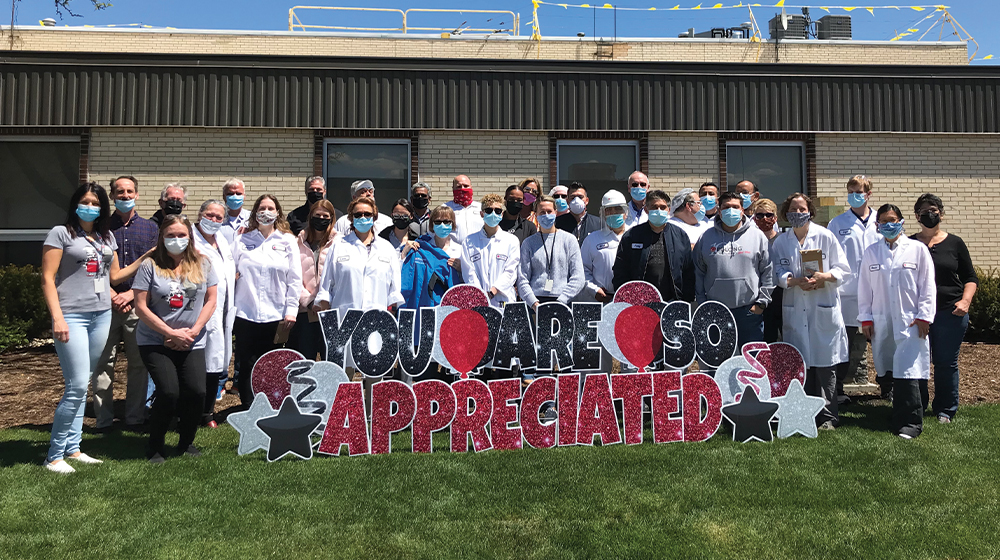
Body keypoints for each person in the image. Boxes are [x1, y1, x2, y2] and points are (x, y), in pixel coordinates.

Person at [40, 182, 149, 474]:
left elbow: (115, 276)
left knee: (84, 382)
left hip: (101, 315)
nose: (90, 206)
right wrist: (58, 318)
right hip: (72, 316)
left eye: (95, 203)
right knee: (75, 385)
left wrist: (144, 258)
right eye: (85, 201)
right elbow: (48, 279)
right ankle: (53, 455)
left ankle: (73, 449)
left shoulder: (105, 236)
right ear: (76, 203)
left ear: (102, 208)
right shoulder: (60, 234)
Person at [133, 214, 218, 463]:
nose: (176, 239)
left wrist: (192, 332)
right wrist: (169, 333)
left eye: (181, 235)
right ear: (161, 237)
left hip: (192, 340)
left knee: (196, 392)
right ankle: (155, 446)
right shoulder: (150, 265)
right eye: (171, 235)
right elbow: (140, 306)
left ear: (189, 237)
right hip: (155, 340)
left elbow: (211, 300)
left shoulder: (203, 264)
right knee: (169, 392)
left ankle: (185, 442)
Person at [772, 193, 851, 430]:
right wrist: (795, 281)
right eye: (793, 210)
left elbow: (843, 269)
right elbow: (777, 272)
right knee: (800, 366)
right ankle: (803, 415)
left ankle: (828, 417)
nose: (797, 213)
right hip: (796, 306)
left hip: (822, 306)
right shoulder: (781, 241)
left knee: (826, 367)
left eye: (801, 209)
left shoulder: (825, 236)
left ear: (810, 211)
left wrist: (824, 276)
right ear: (786, 214)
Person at [858, 204, 936, 439]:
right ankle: (902, 412)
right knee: (891, 368)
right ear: (877, 225)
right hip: (882, 321)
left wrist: (924, 315)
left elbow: (927, 286)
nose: (888, 225)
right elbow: (864, 289)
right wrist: (866, 319)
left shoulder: (917, 249)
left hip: (911, 321)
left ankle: (910, 423)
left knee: (909, 370)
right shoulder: (872, 252)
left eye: (893, 220)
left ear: (902, 222)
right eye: (883, 221)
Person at [316, 197, 403, 401]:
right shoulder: (338, 246)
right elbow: (325, 288)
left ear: (374, 217)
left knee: (374, 372)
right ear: (350, 218)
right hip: (344, 320)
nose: (363, 218)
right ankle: (339, 418)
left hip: (376, 321)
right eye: (358, 215)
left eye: (367, 214)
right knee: (342, 374)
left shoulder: (387, 249)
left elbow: (394, 292)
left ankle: (373, 420)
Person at [92, 175, 158, 432]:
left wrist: (131, 295)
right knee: (102, 364)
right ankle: (103, 420)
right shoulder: (100, 228)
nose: (125, 196)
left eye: (130, 191)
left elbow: (155, 268)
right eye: (120, 192)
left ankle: (134, 418)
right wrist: (111, 294)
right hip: (104, 306)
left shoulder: (151, 229)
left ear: (137, 195)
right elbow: (94, 269)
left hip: (137, 306)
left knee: (138, 364)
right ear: (112, 196)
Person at [910, 194, 977, 424]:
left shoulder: (955, 243)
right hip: (917, 314)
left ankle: (945, 410)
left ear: (941, 213)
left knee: (945, 362)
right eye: (925, 210)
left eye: (934, 210)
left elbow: (970, 277)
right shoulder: (909, 244)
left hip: (950, 312)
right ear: (917, 216)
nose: (930, 214)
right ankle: (917, 405)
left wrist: (965, 301)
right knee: (917, 361)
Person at [232, 194, 302, 406]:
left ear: (278, 213)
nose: (266, 212)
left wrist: (291, 310)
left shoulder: (287, 240)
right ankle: (249, 408)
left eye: (271, 208)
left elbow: (295, 278)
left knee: (273, 365)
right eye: (262, 208)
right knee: (247, 364)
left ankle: (273, 407)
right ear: (255, 213)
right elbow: (229, 272)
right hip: (246, 313)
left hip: (277, 314)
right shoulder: (242, 240)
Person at [694, 191, 773, 350]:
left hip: (749, 311)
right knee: (718, 361)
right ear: (719, 210)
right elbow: (698, 272)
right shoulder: (706, 237)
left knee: (752, 359)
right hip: (715, 311)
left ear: (742, 210)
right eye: (726, 207)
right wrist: (702, 303)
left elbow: (768, 271)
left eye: (735, 207)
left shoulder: (758, 237)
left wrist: (761, 304)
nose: (731, 210)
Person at [828, 174, 881, 393]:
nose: (854, 196)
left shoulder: (882, 221)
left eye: (858, 192)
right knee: (844, 343)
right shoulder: (837, 223)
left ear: (868, 194)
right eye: (850, 192)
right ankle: (837, 389)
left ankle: (889, 386)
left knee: (883, 341)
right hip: (847, 293)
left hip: (879, 293)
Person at [192, 200, 236, 427]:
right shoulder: (190, 240)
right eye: (210, 215)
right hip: (195, 312)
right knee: (196, 363)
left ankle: (207, 412)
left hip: (221, 312)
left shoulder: (222, 241)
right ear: (200, 215)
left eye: (219, 217)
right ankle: (190, 412)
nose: (214, 220)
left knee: (215, 362)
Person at [612, 189, 694, 303]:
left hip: (673, 301)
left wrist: (686, 300)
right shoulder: (632, 236)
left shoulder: (680, 236)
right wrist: (626, 299)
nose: (659, 210)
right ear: (646, 210)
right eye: (654, 207)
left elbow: (688, 271)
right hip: (639, 303)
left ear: (669, 210)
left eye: (662, 207)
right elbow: (620, 270)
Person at [289, 199, 339, 363]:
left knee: (331, 361)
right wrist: (309, 302)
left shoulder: (340, 243)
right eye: (317, 215)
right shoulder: (297, 242)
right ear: (310, 217)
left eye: (325, 216)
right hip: (305, 312)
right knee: (305, 360)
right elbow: (292, 276)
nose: (321, 219)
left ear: (331, 218)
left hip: (332, 312)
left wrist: (326, 302)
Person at [516, 195, 586, 309]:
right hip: (535, 303)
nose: (546, 215)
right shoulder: (528, 243)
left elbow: (578, 277)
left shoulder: (569, 240)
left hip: (563, 302)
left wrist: (561, 301)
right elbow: (522, 278)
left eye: (549, 211)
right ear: (536, 215)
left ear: (556, 212)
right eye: (542, 212)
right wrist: (533, 304)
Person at [461, 194, 521, 308]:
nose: (493, 214)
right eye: (489, 210)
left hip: (504, 300)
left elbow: (510, 271)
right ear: (482, 214)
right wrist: (480, 295)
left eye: (497, 211)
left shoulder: (511, 241)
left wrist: (493, 291)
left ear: (502, 214)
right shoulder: (469, 241)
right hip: (477, 301)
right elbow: (468, 271)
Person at [581, 190, 628, 304]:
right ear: (603, 214)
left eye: (617, 209)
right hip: (601, 299)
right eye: (609, 210)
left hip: (629, 299)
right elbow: (582, 270)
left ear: (625, 212)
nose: (613, 213)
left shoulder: (635, 236)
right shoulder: (592, 239)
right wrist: (594, 290)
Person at [753, 199, 784, 344]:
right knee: (765, 339)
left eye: (768, 215)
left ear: (775, 218)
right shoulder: (751, 240)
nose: (764, 219)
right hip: (759, 296)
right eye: (759, 216)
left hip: (781, 296)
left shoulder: (783, 240)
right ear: (754, 218)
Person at [556, 182, 603, 246]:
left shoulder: (598, 224)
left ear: (586, 201)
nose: (576, 200)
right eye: (573, 197)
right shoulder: (557, 224)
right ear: (567, 201)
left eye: (580, 197)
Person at [444, 175, 484, 242]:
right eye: (459, 187)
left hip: (478, 250)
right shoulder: (445, 208)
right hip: (454, 251)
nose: (462, 189)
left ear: (471, 187)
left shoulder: (481, 208)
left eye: (466, 186)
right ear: (453, 189)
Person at [220, 178, 250, 245]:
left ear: (244, 197)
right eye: (230, 193)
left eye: (239, 193)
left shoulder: (252, 218)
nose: (235, 196)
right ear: (224, 196)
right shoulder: (216, 219)